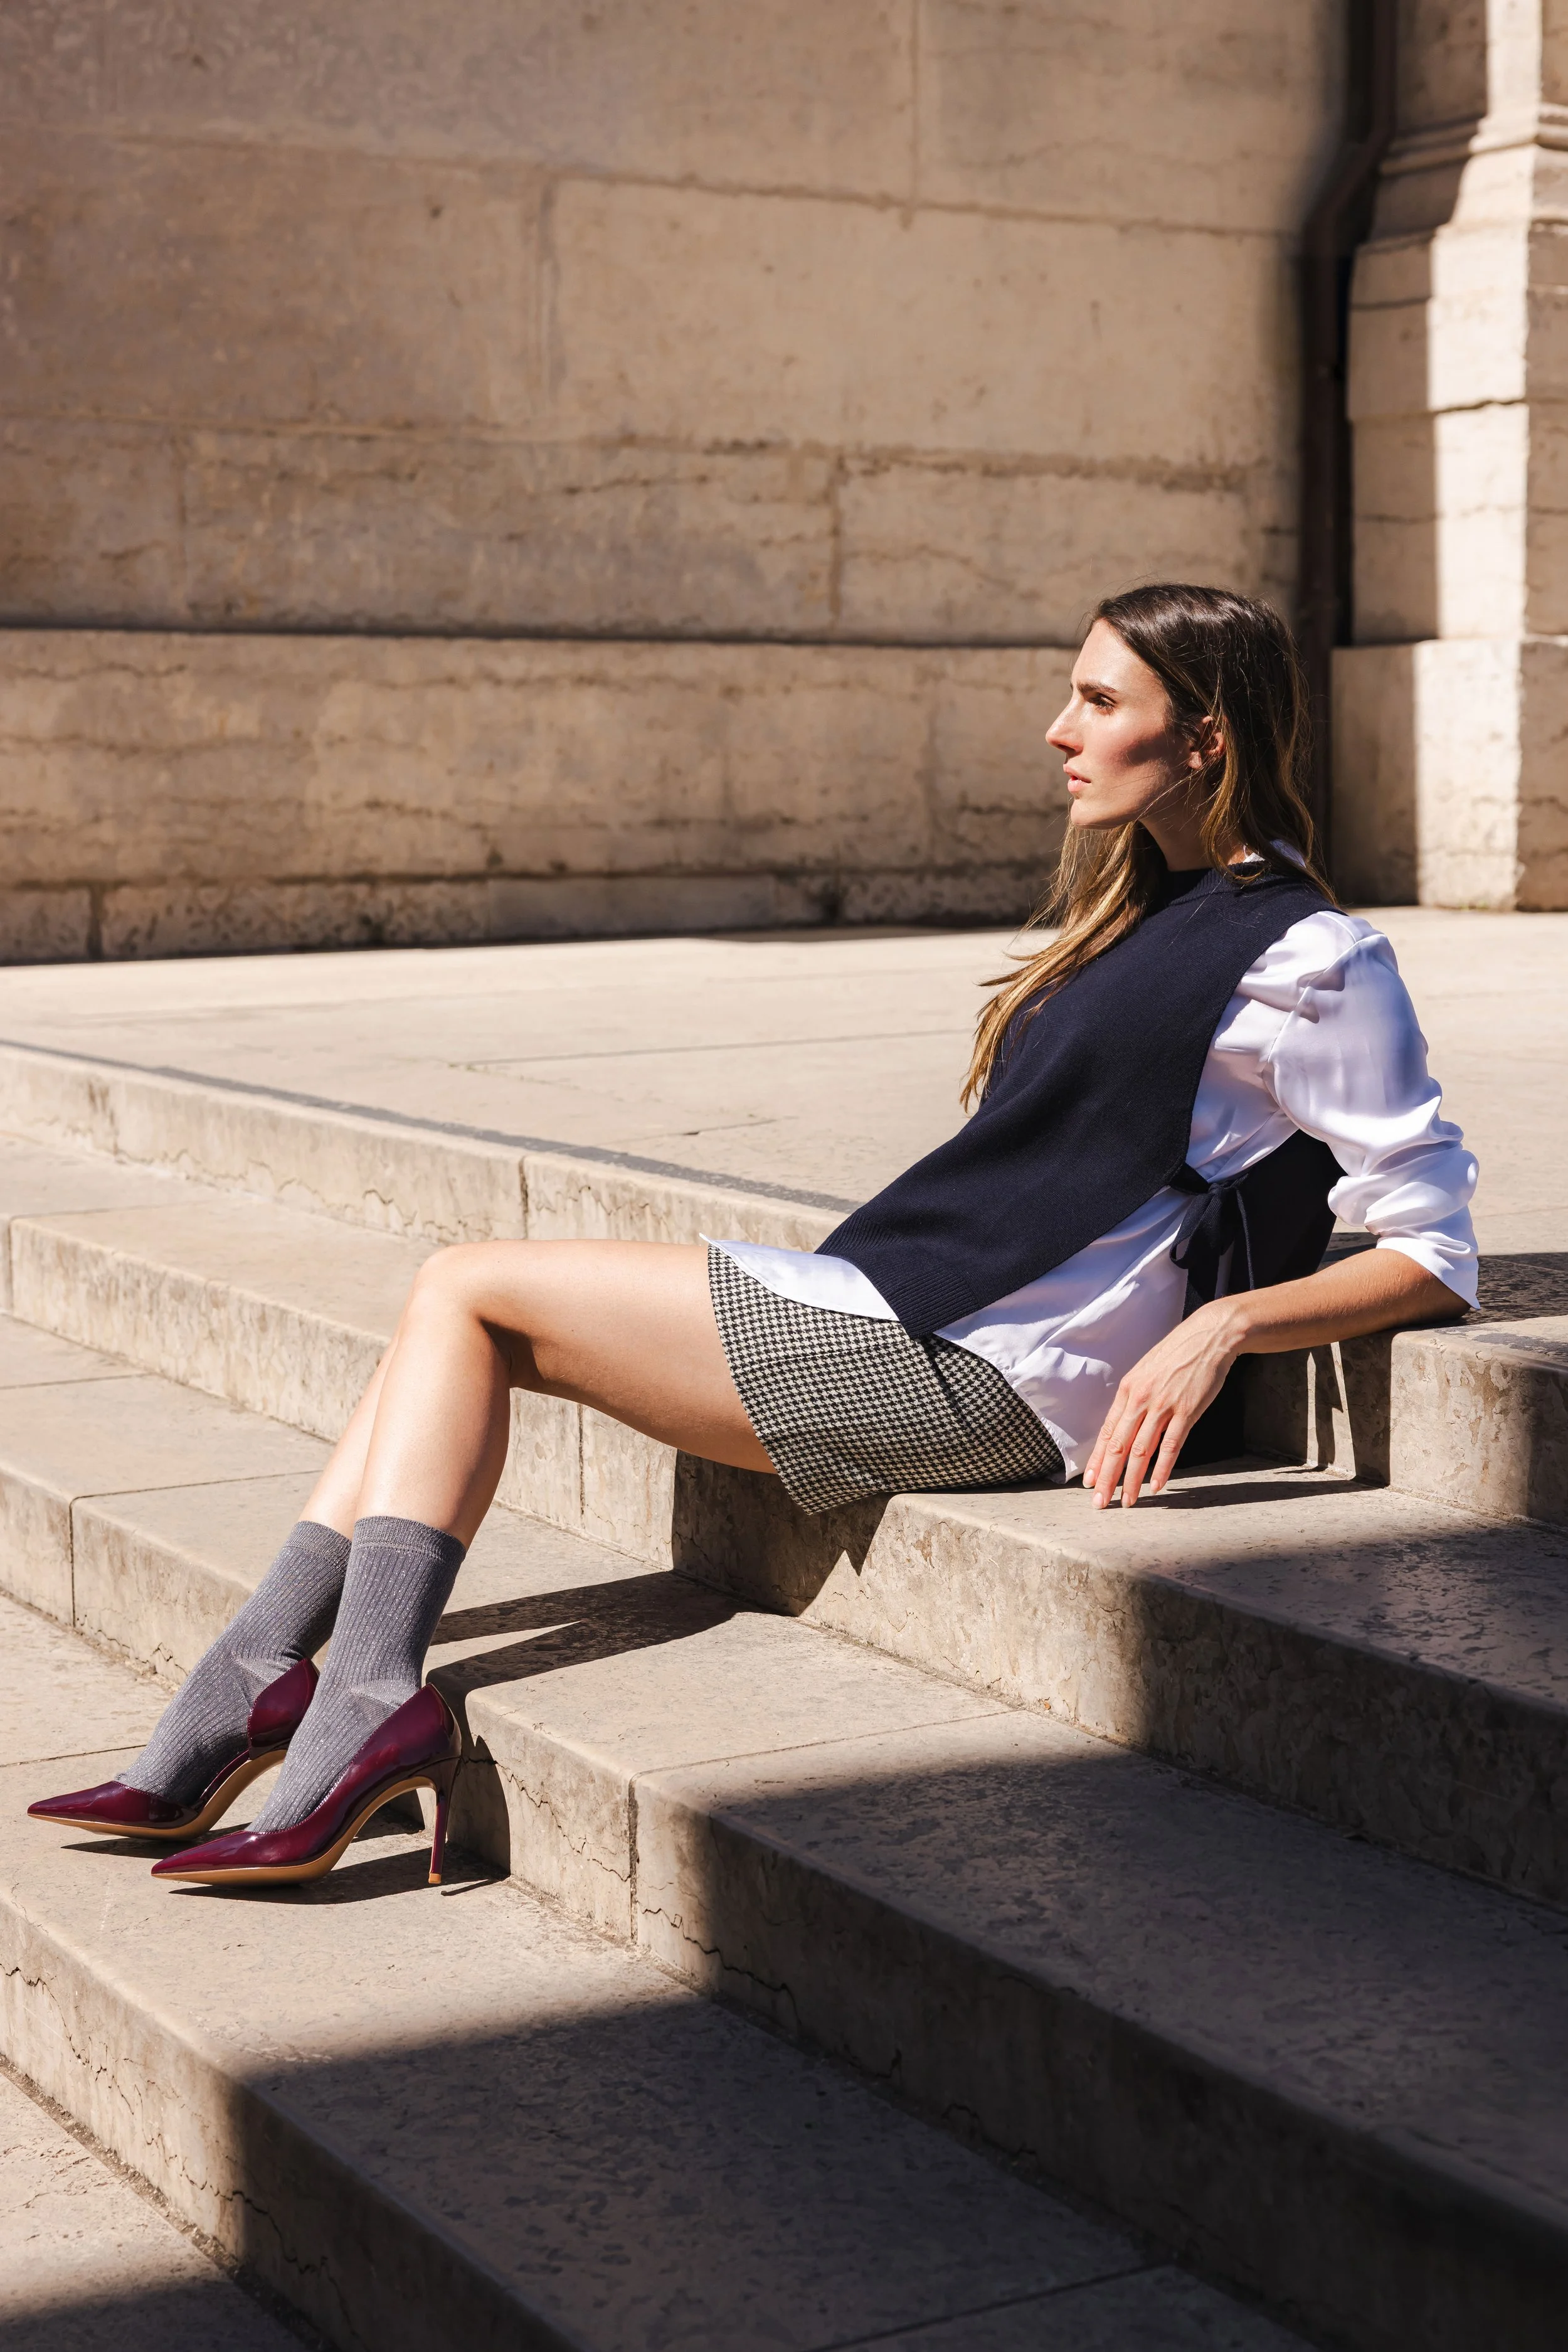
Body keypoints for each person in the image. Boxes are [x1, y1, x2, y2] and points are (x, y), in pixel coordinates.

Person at [28, 584, 1478, 1888]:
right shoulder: (1144, 911)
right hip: (919, 1307)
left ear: (1205, 733)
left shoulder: (1310, 954)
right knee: (445, 1298)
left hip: (991, 1377)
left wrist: (1227, 1321)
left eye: (1098, 698)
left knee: (469, 1292)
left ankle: (335, 1702)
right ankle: (270, 1676)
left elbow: (1429, 1245)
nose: (1057, 728)